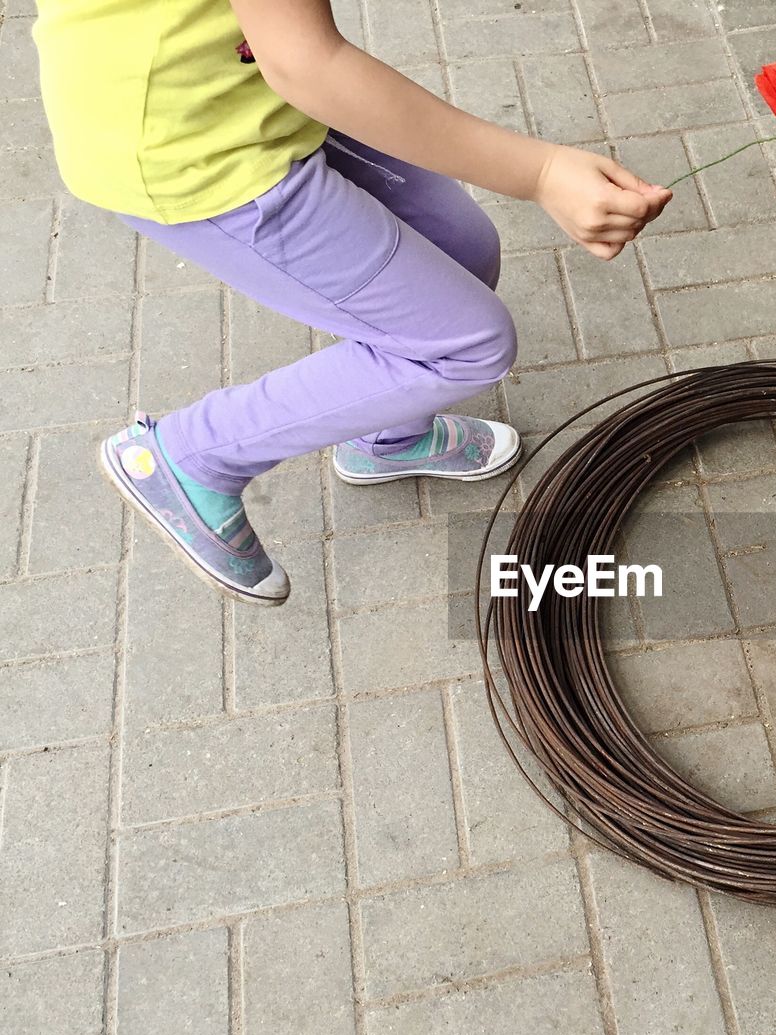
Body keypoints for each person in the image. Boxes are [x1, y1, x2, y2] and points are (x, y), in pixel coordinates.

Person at [31, 0, 673, 605]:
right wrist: (538, 173)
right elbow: (307, 61)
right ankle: (188, 456)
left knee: (460, 250)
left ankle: (386, 441)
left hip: (250, 91)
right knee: (466, 346)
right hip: (200, 152)